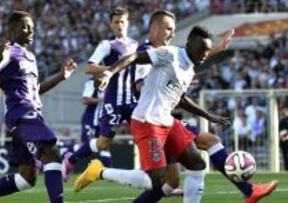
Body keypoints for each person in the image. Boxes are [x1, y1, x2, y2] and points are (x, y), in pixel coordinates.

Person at [131, 11, 278, 203]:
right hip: (150, 121)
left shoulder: (172, 53)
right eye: (169, 29)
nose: (172, 34)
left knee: (174, 178)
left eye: (174, 30)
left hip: (164, 119)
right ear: (154, 28)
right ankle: (102, 172)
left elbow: (189, 60)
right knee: (171, 176)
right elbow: (139, 85)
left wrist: (216, 50)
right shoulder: (148, 51)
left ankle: (249, 191)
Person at [75, 25, 215, 203]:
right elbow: (133, 57)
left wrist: (209, 116)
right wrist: (108, 73)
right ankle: (99, 171)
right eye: (202, 48)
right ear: (189, 44)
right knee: (156, 181)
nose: (204, 54)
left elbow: (181, 99)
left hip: (168, 122)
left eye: (208, 50)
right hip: (148, 121)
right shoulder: (170, 54)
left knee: (197, 166)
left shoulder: (190, 68)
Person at [0, 11, 77, 203]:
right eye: (24, 27)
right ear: (12, 30)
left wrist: (61, 76)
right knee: (52, 155)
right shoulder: (7, 51)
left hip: (31, 113)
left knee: (27, 177)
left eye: (32, 28)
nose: (30, 31)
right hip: (20, 113)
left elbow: (35, 90)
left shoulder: (30, 57)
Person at [62, 6, 138, 180]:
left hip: (132, 100)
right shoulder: (107, 45)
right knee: (104, 143)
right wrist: (113, 68)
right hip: (113, 99)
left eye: (123, 21)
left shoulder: (135, 44)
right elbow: (89, 67)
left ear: (128, 23)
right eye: (116, 22)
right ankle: (71, 160)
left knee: (146, 135)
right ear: (111, 24)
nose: (120, 25)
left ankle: (160, 180)